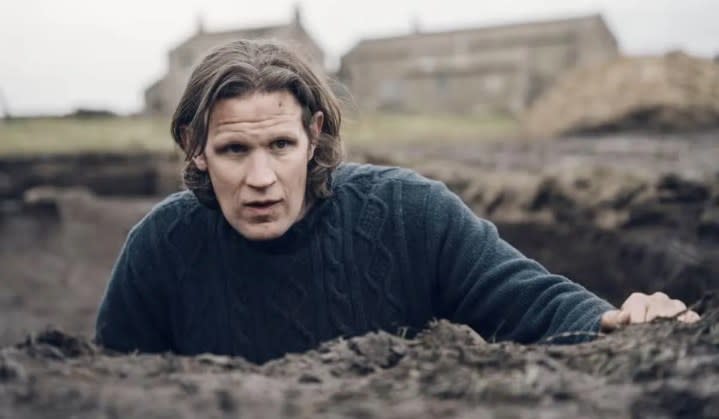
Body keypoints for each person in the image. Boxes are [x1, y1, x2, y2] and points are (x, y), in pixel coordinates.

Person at [95, 39, 699, 363]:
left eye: (280, 144)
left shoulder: (408, 214)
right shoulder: (161, 246)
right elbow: (102, 380)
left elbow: (527, 301)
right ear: (195, 148)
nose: (261, 178)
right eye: (233, 151)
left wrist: (617, 321)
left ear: (315, 136)